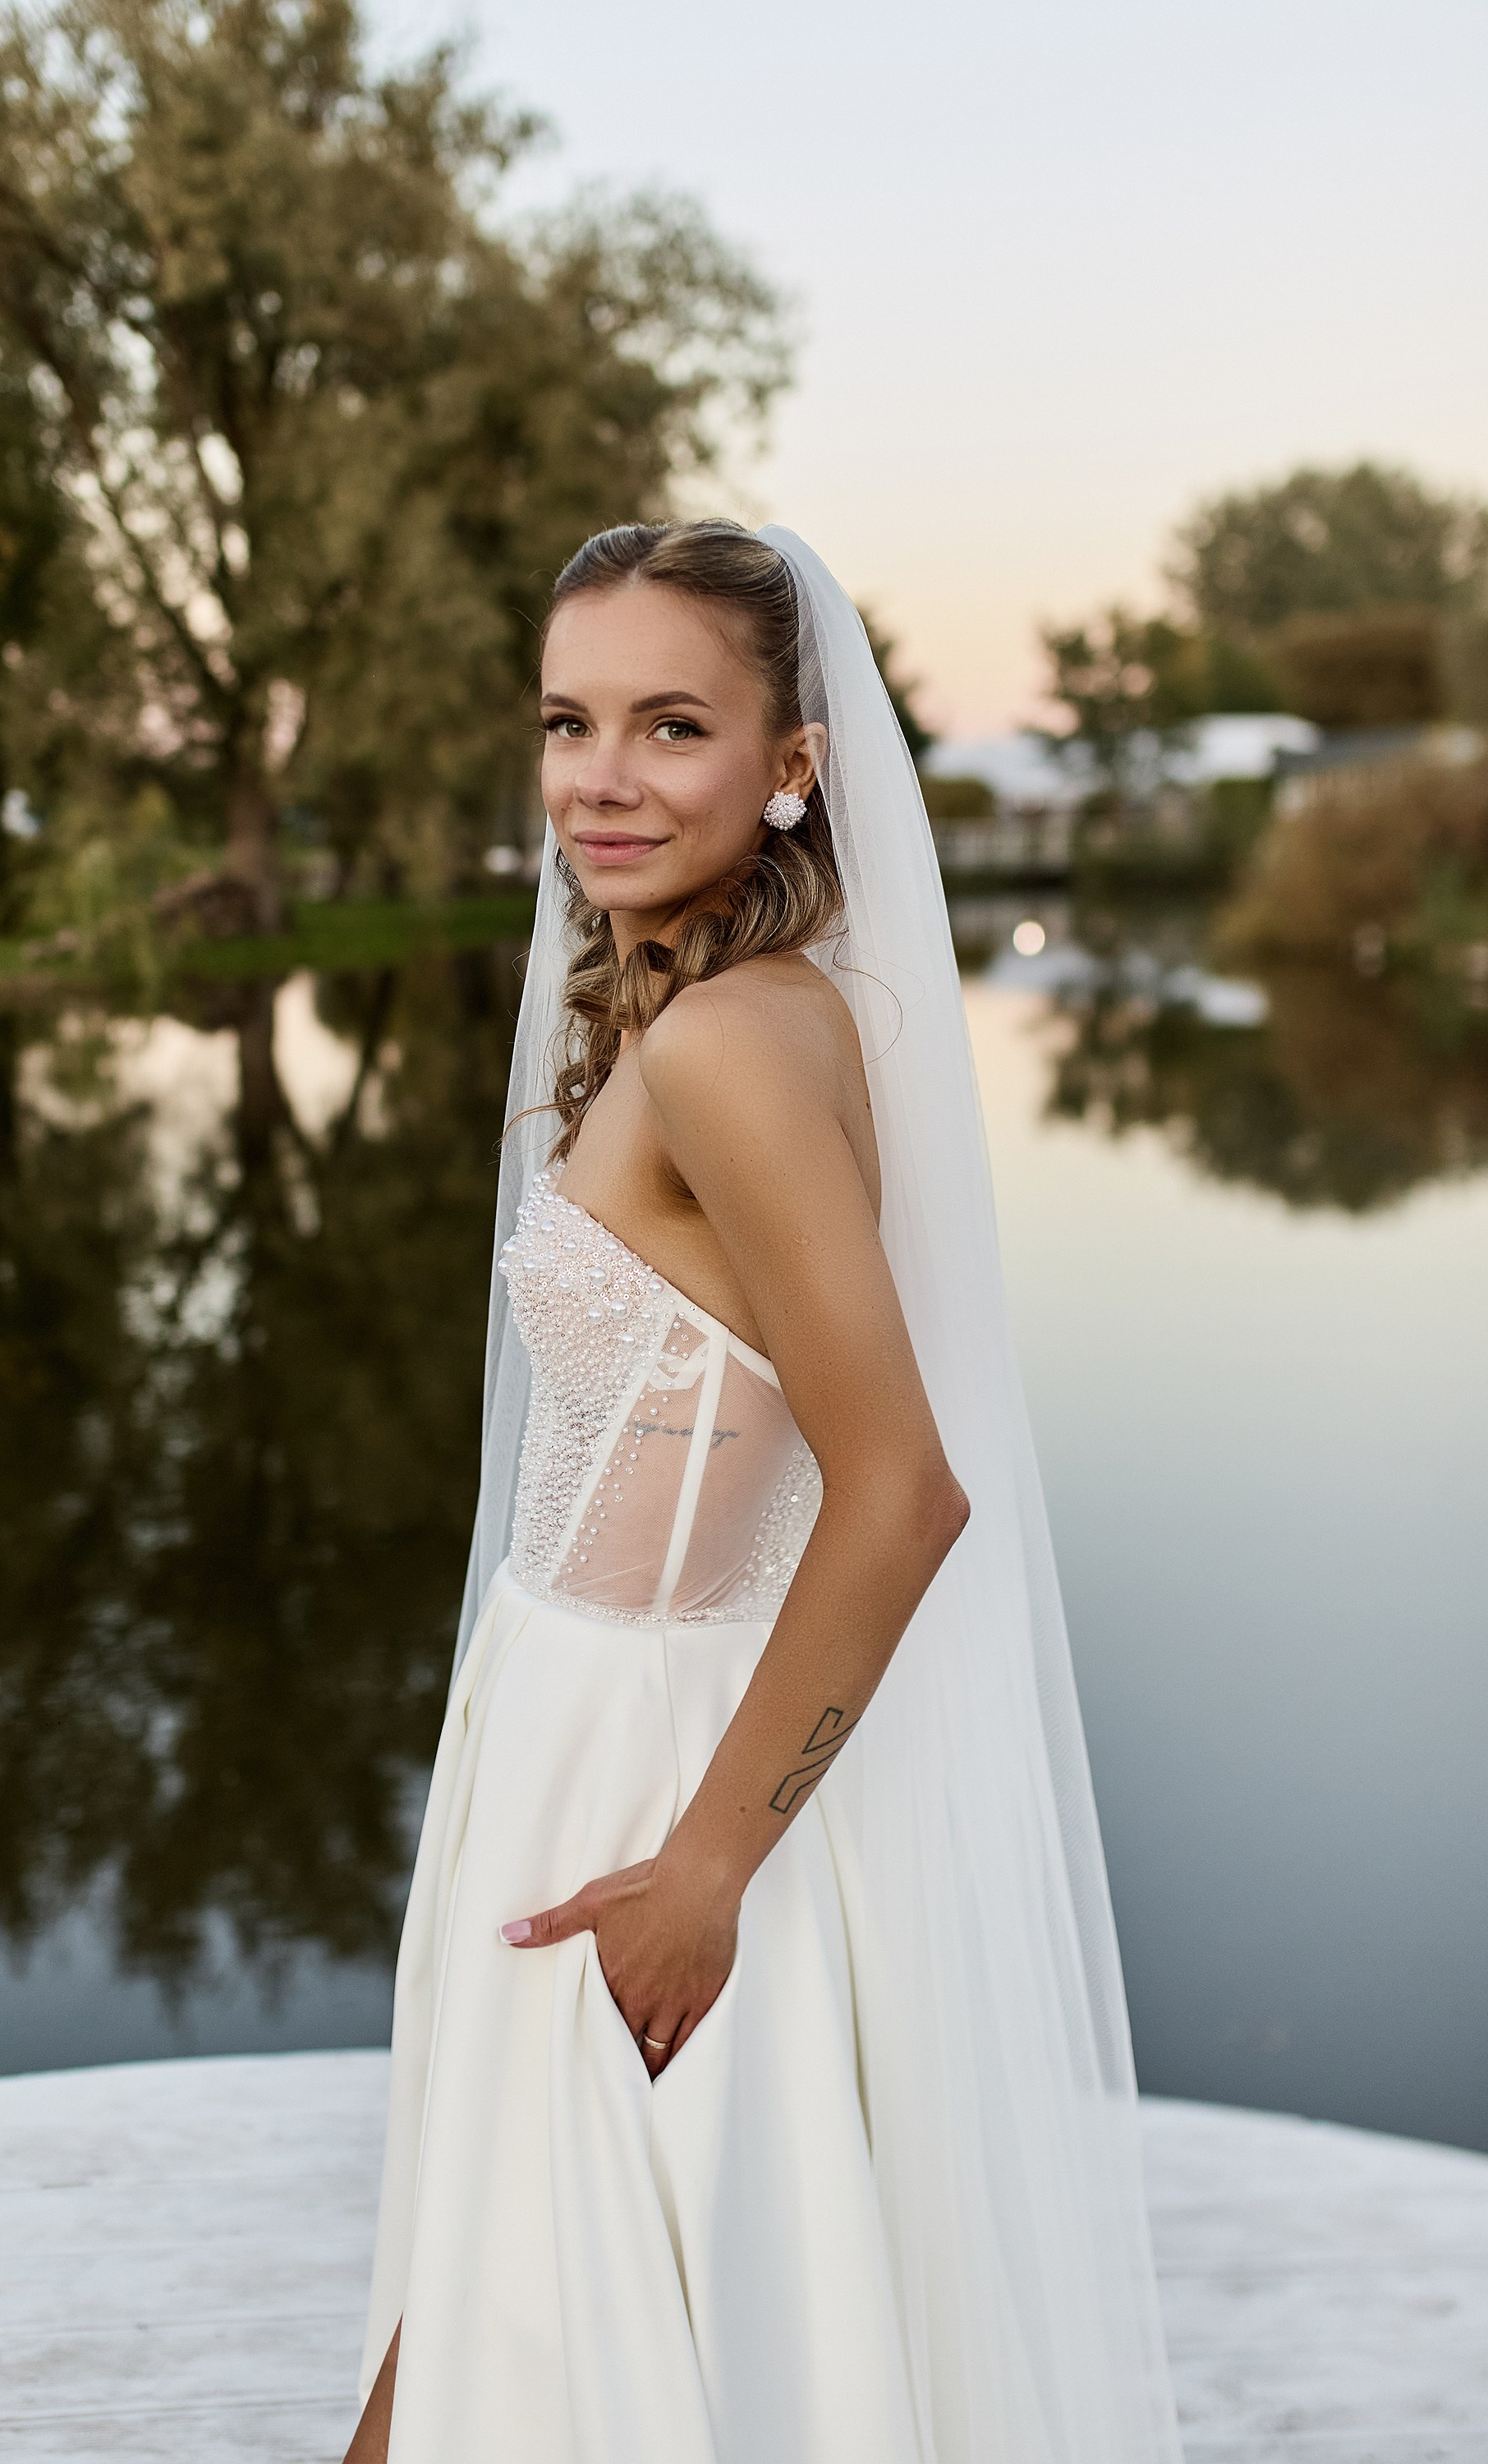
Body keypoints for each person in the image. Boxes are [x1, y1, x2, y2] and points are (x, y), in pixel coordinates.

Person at [347, 522, 1183, 2464]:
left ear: (791, 762)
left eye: (670, 725)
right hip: (578, 1713)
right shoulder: (753, 1004)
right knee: (497, 2283)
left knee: (566, 2324)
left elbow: (898, 1491)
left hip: (647, 1756)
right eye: (569, 722)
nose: (601, 778)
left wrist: (706, 1868)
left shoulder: (728, 1044)